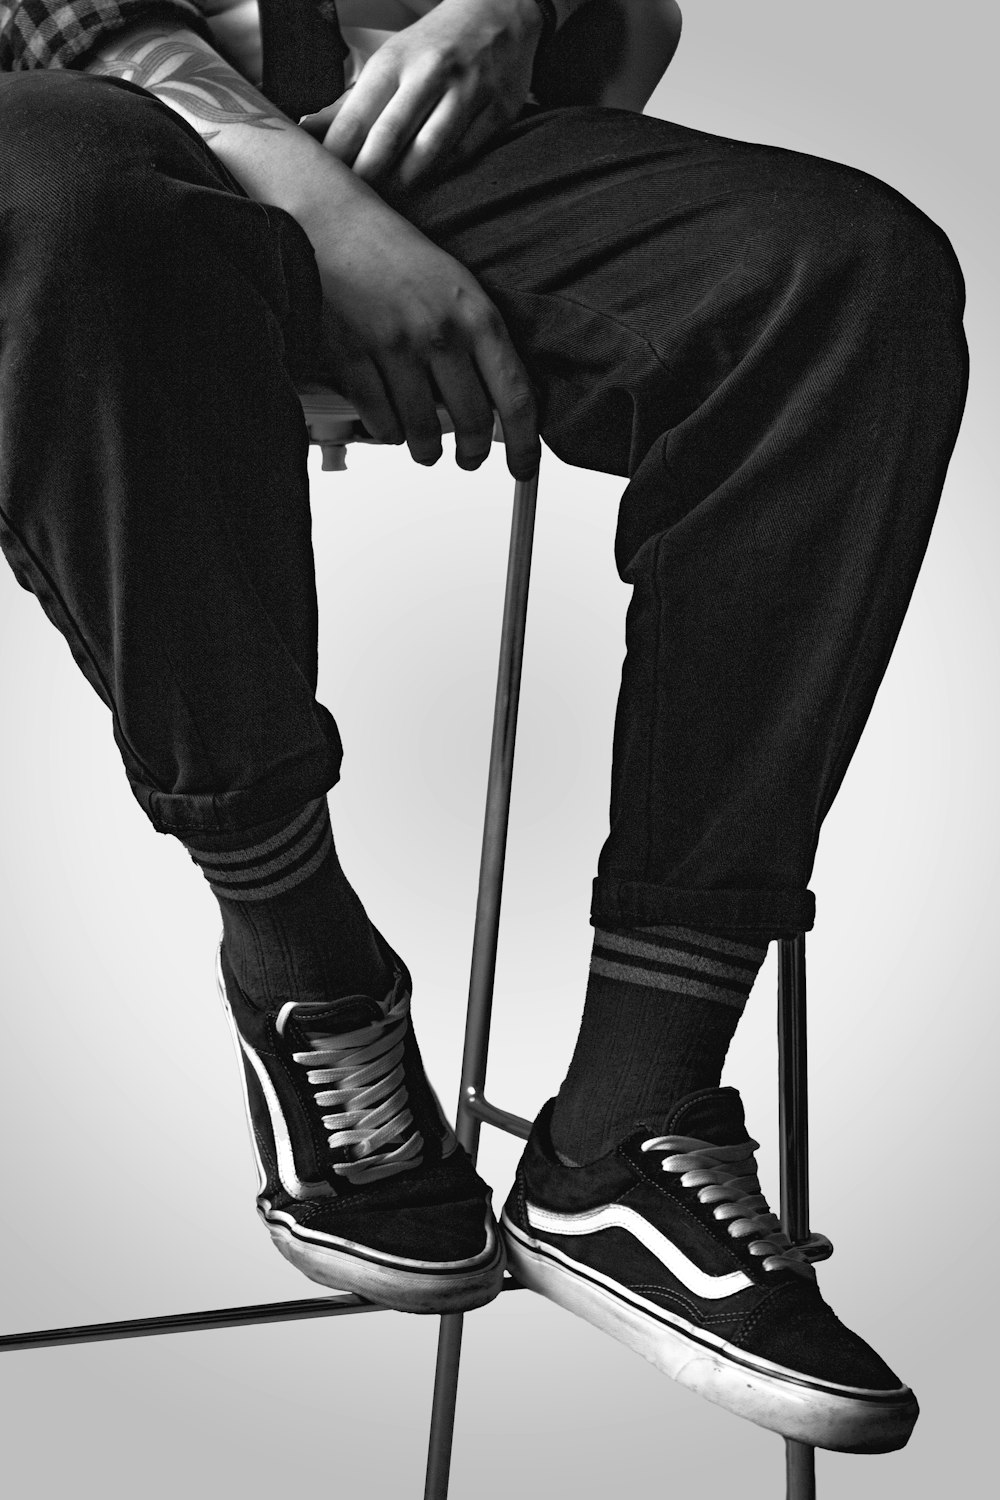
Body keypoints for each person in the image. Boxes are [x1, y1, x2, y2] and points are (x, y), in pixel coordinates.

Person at [0, 0, 967, 1459]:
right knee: (59, 184)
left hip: (431, 132)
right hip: (96, 150)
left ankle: (626, 1123)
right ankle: (303, 963)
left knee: (845, 280)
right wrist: (302, 202)